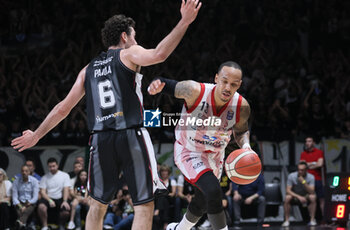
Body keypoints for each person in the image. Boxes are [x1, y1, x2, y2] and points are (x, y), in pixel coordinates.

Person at [11, 1, 201, 230]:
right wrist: (184, 21)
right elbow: (160, 54)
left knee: (97, 205)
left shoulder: (88, 69)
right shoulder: (129, 53)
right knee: (144, 205)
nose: (136, 41)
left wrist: (37, 135)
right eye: (134, 36)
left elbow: (63, 108)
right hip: (131, 135)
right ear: (124, 36)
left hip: (100, 139)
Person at [148, 61, 252, 230]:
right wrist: (156, 84)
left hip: (215, 155)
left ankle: (178, 229)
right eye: (224, 81)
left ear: (239, 85)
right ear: (216, 78)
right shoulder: (195, 91)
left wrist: (246, 146)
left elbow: (240, 132)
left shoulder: (242, 106)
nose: (227, 87)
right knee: (213, 191)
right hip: (190, 150)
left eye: (233, 84)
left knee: (202, 201)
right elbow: (166, 83)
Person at [37, 158, 71, 230]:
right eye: (50, 166)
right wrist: (50, 200)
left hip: (60, 198)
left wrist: (65, 201)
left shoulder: (65, 175)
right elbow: (42, 192)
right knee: (41, 207)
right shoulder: (44, 177)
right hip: (48, 198)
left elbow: (66, 189)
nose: (52, 168)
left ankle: (61, 225)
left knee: (66, 212)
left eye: (53, 166)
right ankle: (45, 226)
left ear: (57, 165)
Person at [282, 162, 317, 227]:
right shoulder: (292, 176)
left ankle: (312, 220)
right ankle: (286, 220)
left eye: (302, 170)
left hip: (306, 195)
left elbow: (312, 191)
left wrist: (303, 182)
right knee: (287, 198)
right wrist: (299, 197)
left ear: (306, 170)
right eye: (298, 170)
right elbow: (288, 190)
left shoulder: (311, 177)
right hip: (295, 195)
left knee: (313, 197)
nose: (300, 171)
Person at [300, 136, 325, 216]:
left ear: (313, 142)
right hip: (307, 180)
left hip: (317, 179)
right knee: (310, 199)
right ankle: (311, 219)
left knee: (321, 199)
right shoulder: (303, 154)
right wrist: (314, 163)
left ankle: (324, 218)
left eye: (310, 141)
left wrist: (308, 164)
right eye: (306, 141)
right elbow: (302, 166)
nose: (307, 143)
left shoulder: (319, 152)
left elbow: (320, 164)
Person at [12, 164, 40, 229]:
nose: (24, 173)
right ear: (21, 172)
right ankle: (23, 225)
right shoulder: (16, 181)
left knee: (26, 211)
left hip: (30, 202)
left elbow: (35, 197)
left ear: (29, 172)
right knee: (20, 211)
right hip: (19, 202)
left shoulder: (34, 181)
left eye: (26, 171)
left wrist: (26, 206)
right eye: (22, 171)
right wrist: (21, 206)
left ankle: (20, 223)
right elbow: (14, 197)